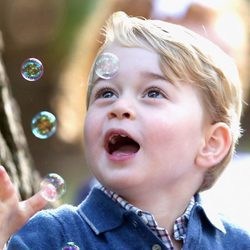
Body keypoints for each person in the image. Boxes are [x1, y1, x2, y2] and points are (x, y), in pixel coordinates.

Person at [1, 11, 250, 250]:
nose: (119, 107)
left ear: (211, 144)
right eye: (106, 93)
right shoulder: (50, 236)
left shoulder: (239, 244)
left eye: (153, 92)